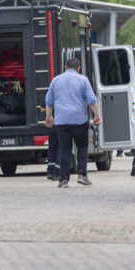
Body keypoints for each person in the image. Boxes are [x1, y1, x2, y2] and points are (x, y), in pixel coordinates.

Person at [44, 58, 101, 188]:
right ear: (78, 68)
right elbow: (92, 100)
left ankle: (63, 180)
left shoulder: (56, 80)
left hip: (61, 121)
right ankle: (82, 175)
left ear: (65, 67)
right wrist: (97, 115)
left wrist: (49, 117)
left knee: (65, 149)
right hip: (79, 120)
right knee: (82, 146)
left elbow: (48, 101)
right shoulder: (83, 80)